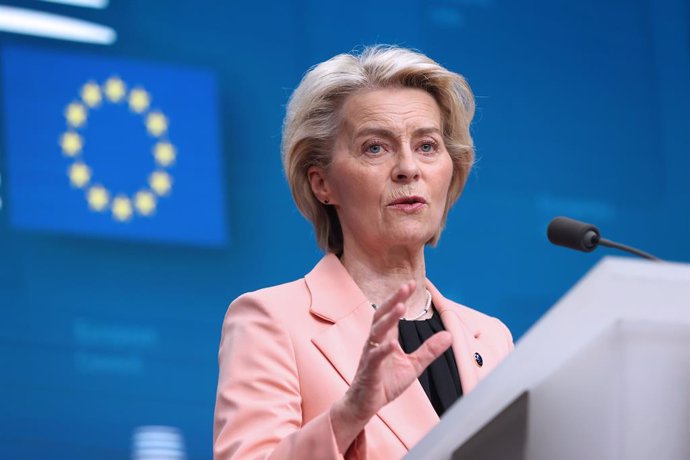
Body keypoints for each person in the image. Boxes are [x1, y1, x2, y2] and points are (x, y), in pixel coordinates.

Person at [213, 45, 514, 460]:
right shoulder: (271, 321)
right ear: (323, 184)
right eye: (376, 147)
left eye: (427, 146)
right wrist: (349, 415)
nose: (409, 168)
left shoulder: (491, 338)